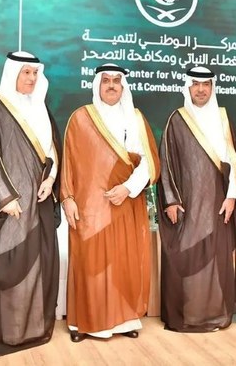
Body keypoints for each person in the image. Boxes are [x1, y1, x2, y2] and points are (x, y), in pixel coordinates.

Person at [0, 51, 61, 354]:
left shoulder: (41, 109)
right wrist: (5, 197)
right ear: (12, 73)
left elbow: (51, 150)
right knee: (7, 264)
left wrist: (51, 179)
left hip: (39, 202)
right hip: (10, 208)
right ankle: (4, 332)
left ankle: (30, 330)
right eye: (25, 72)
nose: (31, 78)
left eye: (35, 73)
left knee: (37, 265)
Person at [60, 63, 160, 342]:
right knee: (90, 263)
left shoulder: (136, 118)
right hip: (88, 206)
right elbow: (68, 162)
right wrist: (67, 197)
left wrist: (128, 188)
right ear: (98, 85)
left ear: (123, 86)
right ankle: (84, 323)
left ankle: (124, 320)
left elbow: (150, 162)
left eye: (117, 80)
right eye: (106, 80)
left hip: (125, 203)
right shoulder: (80, 118)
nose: (112, 85)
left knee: (124, 261)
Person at [156, 66, 236, 332]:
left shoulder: (223, 118)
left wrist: (232, 196)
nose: (201, 89)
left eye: (206, 84)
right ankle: (189, 316)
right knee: (189, 259)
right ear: (188, 87)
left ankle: (214, 315)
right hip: (187, 205)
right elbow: (166, 161)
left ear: (212, 88)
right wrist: (171, 200)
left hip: (219, 203)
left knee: (217, 259)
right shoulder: (177, 119)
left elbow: (233, 161)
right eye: (196, 84)